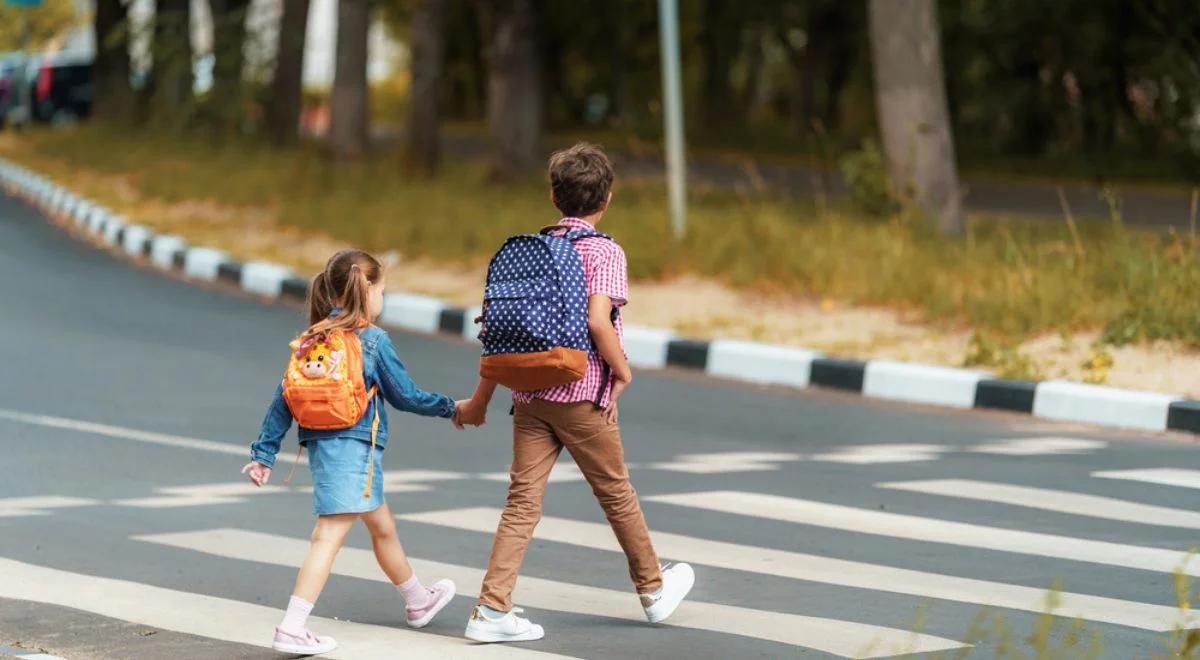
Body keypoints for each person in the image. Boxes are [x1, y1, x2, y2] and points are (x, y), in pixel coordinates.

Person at [455, 143, 695, 643]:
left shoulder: (531, 249)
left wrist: (482, 398)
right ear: (606, 198)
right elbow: (597, 320)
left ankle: (491, 610)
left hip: (529, 395)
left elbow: (504, 334)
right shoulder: (604, 250)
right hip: (584, 394)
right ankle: (653, 590)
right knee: (616, 493)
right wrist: (623, 372)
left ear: (553, 196)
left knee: (521, 503)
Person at [242, 249, 464, 655]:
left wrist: (265, 453)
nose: (383, 299)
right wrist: (453, 408)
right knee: (327, 536)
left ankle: (418, 600)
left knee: (382, 526)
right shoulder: (373, 339)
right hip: (354, 447)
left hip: (326, 447)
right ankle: (292, 626)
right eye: (383, 290)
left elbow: (284, 397)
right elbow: (407, 396)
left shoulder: (313, 337)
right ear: (368, 290)